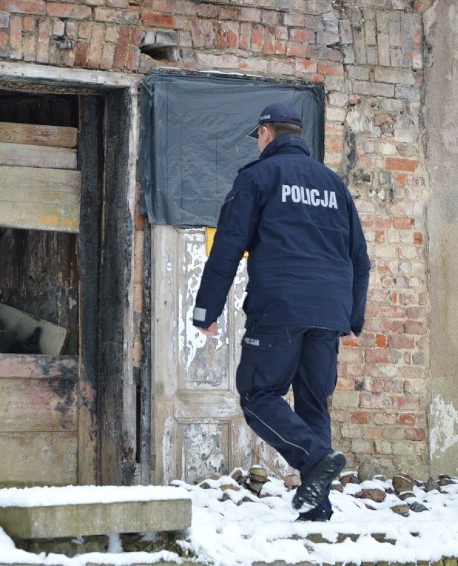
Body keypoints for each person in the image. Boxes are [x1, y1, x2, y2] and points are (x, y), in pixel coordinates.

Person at [192, 103, 370, 522]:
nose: (257, 143)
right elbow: (360, 260)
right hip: (329, 313)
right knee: (313, 405)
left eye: (257, 136)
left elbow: (228, 248)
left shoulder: (256, 178)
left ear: (266, 133)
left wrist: (206, 311)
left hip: (279, 309)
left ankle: (315, 456)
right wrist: (352, 320)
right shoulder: (335, 186)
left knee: (258, 396)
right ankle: (317, 508)